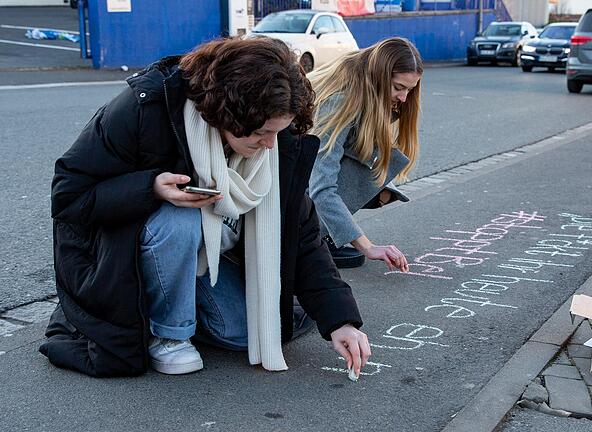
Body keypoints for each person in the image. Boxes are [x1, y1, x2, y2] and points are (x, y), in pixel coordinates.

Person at [39, 37, 371, 377]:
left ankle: (159, 302)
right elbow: (68, 195)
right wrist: (150, 187)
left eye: (277, 132)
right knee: (181, 220)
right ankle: (170, 336)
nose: (270, 145)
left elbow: (300, 233)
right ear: (226, 112)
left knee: (244, 332)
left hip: (208, 256)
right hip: (120, 254)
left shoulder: (272, 132)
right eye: (260, 133)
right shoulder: (146, 107)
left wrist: (340, 320)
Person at [307, 37, 423, 271]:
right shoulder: (341, 100)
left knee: (379, 186)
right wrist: (368, 247)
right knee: (362, 179)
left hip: (298, 176)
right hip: (279, 188)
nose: (404, 98)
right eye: (399, 88)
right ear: (379, 77)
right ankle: (311, 237)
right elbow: (321, 187)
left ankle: (327, 232)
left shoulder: (363, 75)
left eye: (409, 90)